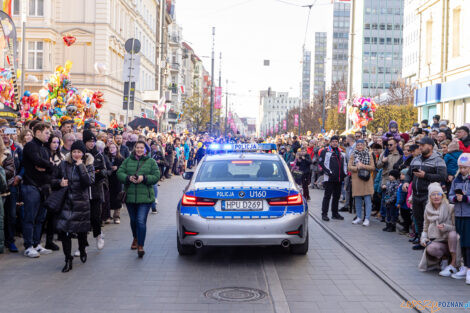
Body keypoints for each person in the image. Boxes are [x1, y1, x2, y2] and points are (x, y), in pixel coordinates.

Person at [53, 140, 95, 272]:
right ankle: (68, 259)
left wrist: (81, 166)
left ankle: (82, 249)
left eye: (79, 152)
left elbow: (89, 182)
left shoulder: (88, 165)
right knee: (65, 232)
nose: (76, 154)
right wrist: (60, 182)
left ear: (83, 153)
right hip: (66, 202)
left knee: (81, 231)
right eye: (74, 152)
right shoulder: (64, 164)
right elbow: (53, 180)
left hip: (81, 203)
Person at [117, 141, 160, 257]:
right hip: (130, 197)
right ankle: (135, 237)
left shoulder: (151, 161)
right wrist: (128, 178)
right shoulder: (128, 160)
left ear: (145, 150)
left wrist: (144, 178)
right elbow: (119, 173)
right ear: (134, 148)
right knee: (133, 221)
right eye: (137, 147)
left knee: (141, 221)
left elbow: (156, 176)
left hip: (145, 198)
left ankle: (140, 245)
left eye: (142, 148)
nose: (139, 150)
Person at [403, 136, 447, 250]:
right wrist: (406, 182)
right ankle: (420, 239)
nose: (420, 147)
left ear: (431, 147)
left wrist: (425, 175)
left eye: (423, 145)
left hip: (429, 195)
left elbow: (443, 176)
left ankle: (430, 242)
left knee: (429, 220)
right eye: (420, 145)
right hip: (416, 194)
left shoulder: (438, 159)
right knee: (418, 218)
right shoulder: (416, 159)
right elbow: (409, 174)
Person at [21, 122, 53, 258]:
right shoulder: (30, 146)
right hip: (31, 186)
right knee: (30, 217)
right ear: (38, 132)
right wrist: (47, 164)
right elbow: (37, 161)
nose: (49, 135)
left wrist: (46, 165)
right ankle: (28, 246)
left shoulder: (45, 149)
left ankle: (37, 244)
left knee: (40, 218)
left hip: (43, 187)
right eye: (47, 132)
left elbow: (50, 167)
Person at [418, 183, 458, 277]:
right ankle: (444, 260)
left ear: (442, 196)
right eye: (433, 194)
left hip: (450, 240)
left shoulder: (450, 208)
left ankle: (454, 263)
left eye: (439, 194)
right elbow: (425, 226)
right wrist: (423, 238)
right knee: (431, 248)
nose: (436, 197)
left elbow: (457, 228)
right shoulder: (428, 208)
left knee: (453, 234)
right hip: (437, 240)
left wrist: (446, 227)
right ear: (430, 196)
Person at [448, 153, 470, 283]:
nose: (462, 170)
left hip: (468, 215)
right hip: (459, 214)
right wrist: (455, 198)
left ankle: (468, 268)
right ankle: (464, 266)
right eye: (460, 167)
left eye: (465, 168)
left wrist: (466, 198)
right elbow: (450, 195)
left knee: (468, 243)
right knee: (462, 242)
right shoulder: (457, 179)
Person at [83, 130, 105, 252]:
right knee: (84, 218)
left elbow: (105, 171)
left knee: (96, 217)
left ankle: (98, 236)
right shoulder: (80, 154)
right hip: (83, 191)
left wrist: (99, 173)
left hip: (96, 190)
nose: (91, 144)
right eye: (89, 141)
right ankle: (83, 244)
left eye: (93, 141)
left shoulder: (98, 155)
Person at [43, 134, 64, 251]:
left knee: (54, 216)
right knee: (45, 216)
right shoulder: (45, 154)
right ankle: (44, 241)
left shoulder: (60, 156)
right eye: (53, 142)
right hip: (46, 187)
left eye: (57, 142)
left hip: (57, 188)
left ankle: (50, 240)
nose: (55, 144)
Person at [319, 136, 347, 221]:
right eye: (333, 141)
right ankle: (324, 214)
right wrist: (329, 172)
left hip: (339, 178)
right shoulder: (325, 151)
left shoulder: (341, 152)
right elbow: (321, 163)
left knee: (336, 196)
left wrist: (344, 173)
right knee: (327, 196)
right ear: (330, 142)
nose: (335, 143)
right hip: (329, 178)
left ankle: (335, 213)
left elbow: (345, 164)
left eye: (336, 141)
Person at [349, 139, 376, 226]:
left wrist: (363, 166)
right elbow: (349, 167)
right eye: (358, 145)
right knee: (357, 199)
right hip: (356, 180)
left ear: (364, 145)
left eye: (361, 145)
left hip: (366, 179)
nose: (359, 146)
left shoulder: (369, 154)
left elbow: (373, 167)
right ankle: (359, 217)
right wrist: (356, 168)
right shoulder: (353, 155)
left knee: (368, 199)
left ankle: (367, 218)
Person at [377, 137, 401, 222]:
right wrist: (383, 161)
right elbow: (378, 166)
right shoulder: (384, 153)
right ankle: (384, 216)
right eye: (388, 145)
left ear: (395, 145)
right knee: (385, 199)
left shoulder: (399, 154)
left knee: (394, 200)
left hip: (395, 181)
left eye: (391, 145)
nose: (389, 146)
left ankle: (393, 218)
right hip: (385, 179)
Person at [105, 142, 123, 224]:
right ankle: (107, 216)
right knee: (108, 198)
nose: (111, 149)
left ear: (117, 149)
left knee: (117, 198)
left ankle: (116, 216)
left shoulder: (120, 158)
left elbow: (124, 168)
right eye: (110, 147)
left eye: (113, 147)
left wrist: (117, 167)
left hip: (117, 180)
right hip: (108, 180)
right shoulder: (106, 157)